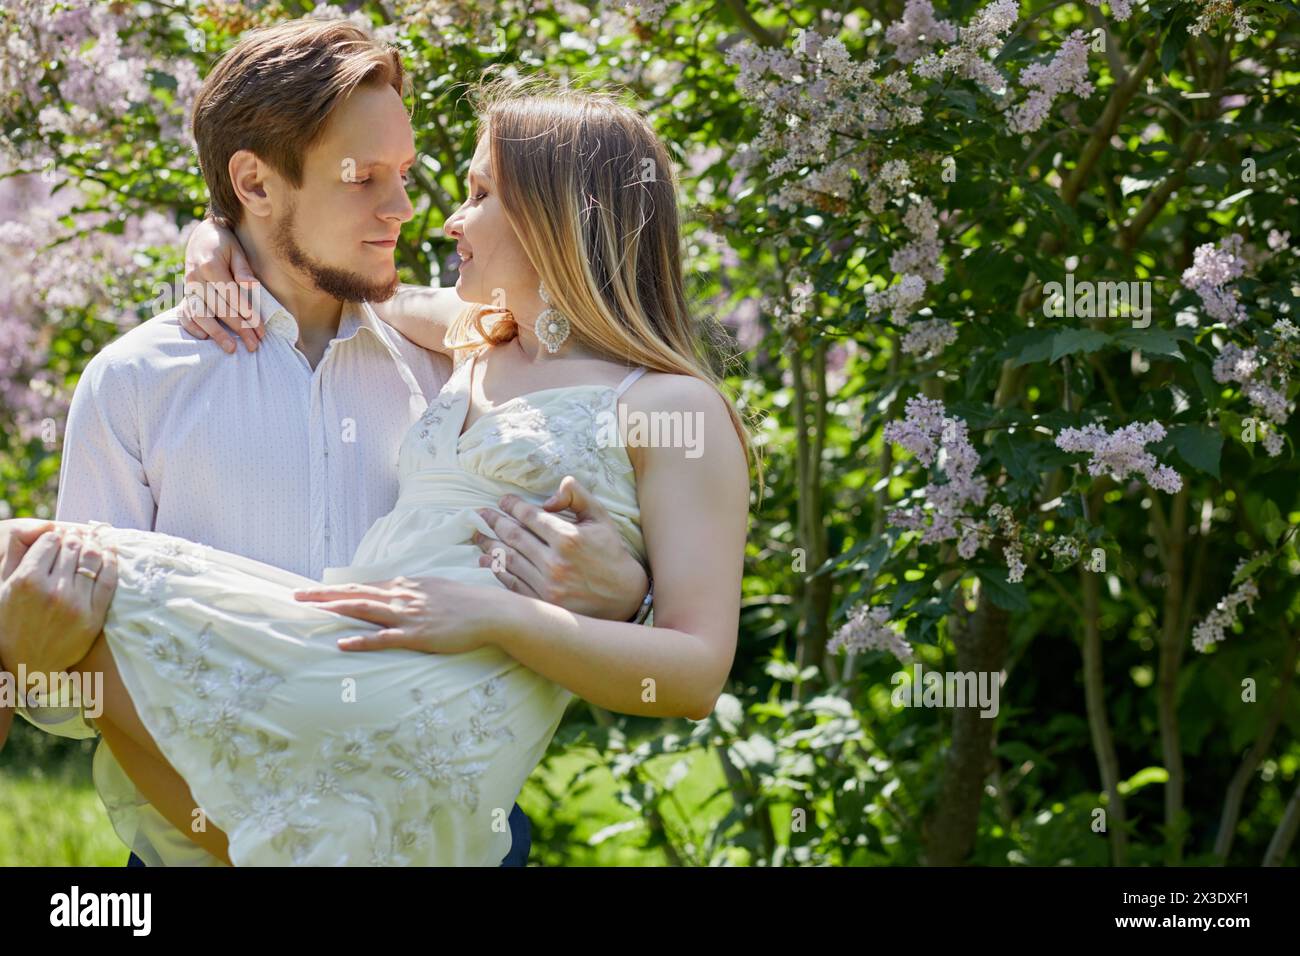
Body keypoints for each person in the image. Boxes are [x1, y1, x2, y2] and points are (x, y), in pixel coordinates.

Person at [0, 40, 751, 865]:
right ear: (255, 183)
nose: (412, 210)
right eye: (365, 179)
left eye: (424, 177)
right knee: (35, 559)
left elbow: (677, 637)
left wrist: (628, 596)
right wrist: (26, 666)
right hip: (196, 834)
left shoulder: (452, 355)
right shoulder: (141, 381)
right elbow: (68, 667)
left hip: (427, 788)